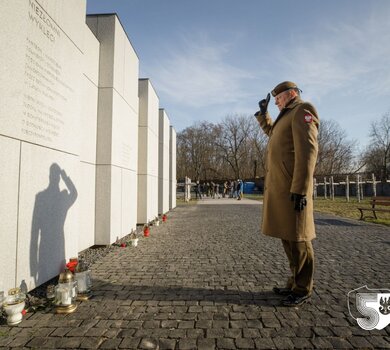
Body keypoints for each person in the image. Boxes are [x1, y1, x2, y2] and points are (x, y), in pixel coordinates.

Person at [254, 81, 319, 307]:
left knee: (299, 239)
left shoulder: (303, 110)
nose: (277, 101)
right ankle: (294, 282)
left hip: (294, 188)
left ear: (291, 94)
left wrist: (301, 189)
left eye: (279, 98)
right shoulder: (286, 115)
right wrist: (264, 114)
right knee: (288, 236)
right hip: (282, 188)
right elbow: (272, 133)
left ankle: (303, 288)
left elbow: (308, 152)